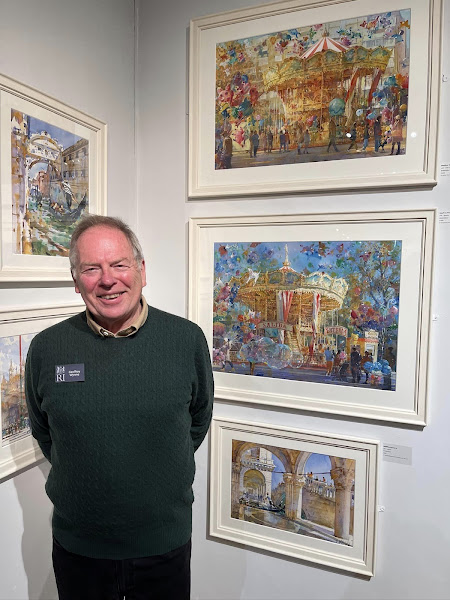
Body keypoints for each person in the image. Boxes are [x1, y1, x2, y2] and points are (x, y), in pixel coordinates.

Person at [25, 215, 214, 600]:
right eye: (91, 268)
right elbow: (45, 432)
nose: (107, 279)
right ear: (76, 281)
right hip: (80, 551)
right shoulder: (47, 348)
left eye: (119, 264)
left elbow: (197, 421)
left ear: (142, 270)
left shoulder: (186, 341)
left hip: (164, 547)